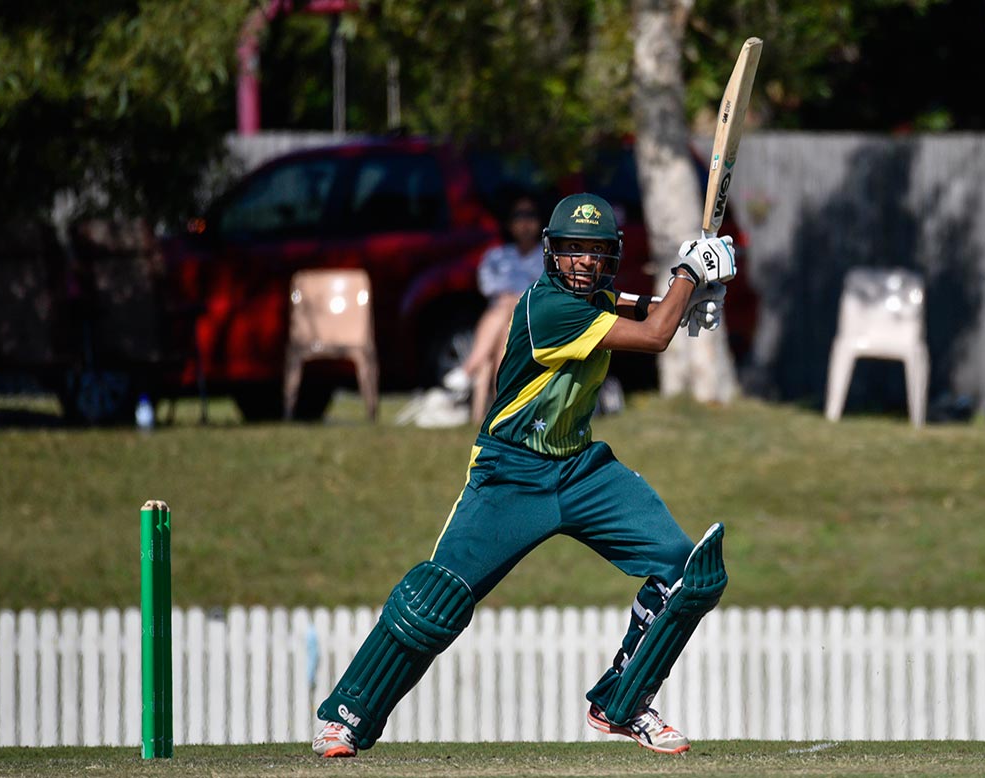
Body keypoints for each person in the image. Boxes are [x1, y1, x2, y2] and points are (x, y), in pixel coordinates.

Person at [311, 193, 735, 758]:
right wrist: (689, 272)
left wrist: (690, 296)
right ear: (551, 254)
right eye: (573, 251)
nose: (584, 262)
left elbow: (644, 309)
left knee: (688, 572)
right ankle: (347, 718)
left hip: (581, 469)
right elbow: (655, 334)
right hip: (511, 472)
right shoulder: (548, 309)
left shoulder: (598, 299)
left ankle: (625, 702)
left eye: (595, 252)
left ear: (610, 256)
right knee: (434, 602)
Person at [443, 195, 545, 423]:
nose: (525, 222)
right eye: (519, 216)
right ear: (510, 223)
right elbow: (486, 285)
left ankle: (469, 369)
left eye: (530, 216)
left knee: (507, 309)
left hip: (531, 318)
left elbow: (543, 292)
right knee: (504, 320)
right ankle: (502, 403)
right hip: (505, 317)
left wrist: (516, 297)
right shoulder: (497, 255)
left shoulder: (546, 258)